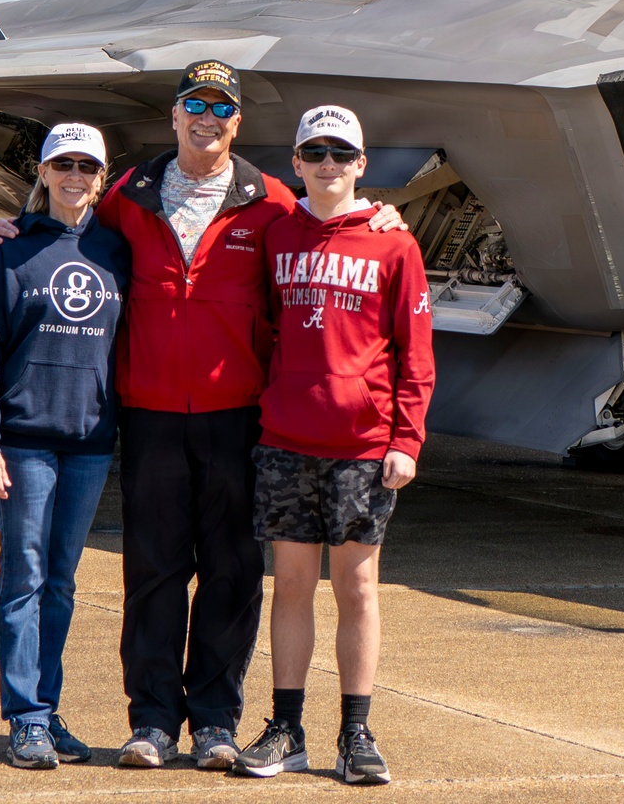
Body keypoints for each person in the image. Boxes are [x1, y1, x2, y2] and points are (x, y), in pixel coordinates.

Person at [0, 63, 407, 771]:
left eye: (221, 108)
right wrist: (18, 230)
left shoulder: (269, 201)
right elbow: (72, 231)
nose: (206, 118)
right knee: (153, 572)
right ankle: (152, 722)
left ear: (236, 122)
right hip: (150, 412)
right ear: (175, 115)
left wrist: (381, 216)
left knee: (231, 574)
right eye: (195, 104)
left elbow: (328, 227)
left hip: (237, 416)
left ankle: (215, 722)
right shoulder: (130, 194)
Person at [231, 105, 434, 787]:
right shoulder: (276, 233)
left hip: (362, 446)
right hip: (288, 439)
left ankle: (356, 733)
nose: (328, 165)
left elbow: (417, 354)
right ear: (296, 162)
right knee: (291, 586)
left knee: (358, 588)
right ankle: (286, 729)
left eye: (341, 154)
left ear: (361, 164)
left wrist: (406, 439)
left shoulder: (393, 244)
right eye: (315, 152)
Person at [0, 122, 130, 770]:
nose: (74, 176)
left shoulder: (118, 253)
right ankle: (25, 718)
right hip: (23, 444)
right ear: (45, 173)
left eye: (86, 166)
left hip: (89, 443)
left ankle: (47, 712)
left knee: (60, 583)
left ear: (100, 178)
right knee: (23, 577)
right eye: (64, 165)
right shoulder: (12, 252)